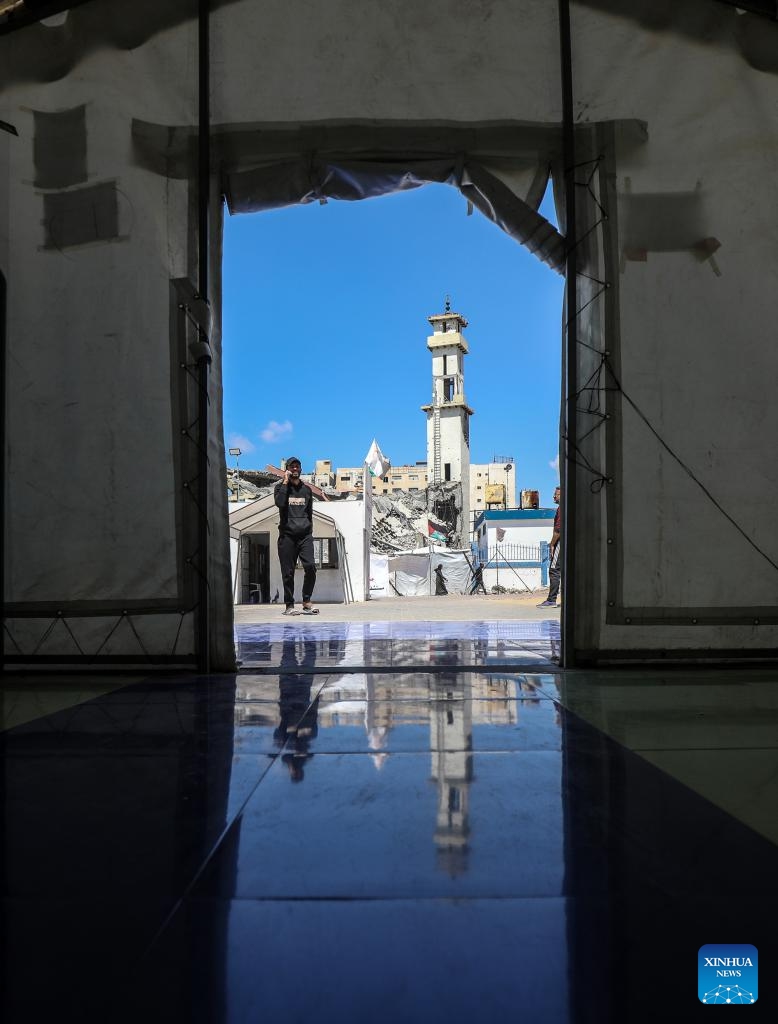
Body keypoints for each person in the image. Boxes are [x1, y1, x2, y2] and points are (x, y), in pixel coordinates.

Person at [274, 456, 318, 615]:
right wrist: (285, 482)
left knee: (311, 567)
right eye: (292, 467)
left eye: (297, 467)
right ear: (287, 469)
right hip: (287, 537)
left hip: (305, 536)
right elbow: (279, 503)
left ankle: (306, 601)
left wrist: (309, 529)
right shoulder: (280, 488)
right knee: (288, 572)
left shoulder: (306, 490)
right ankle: (289, 606)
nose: (295, 469)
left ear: (300, 469)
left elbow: (309, 513)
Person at [538, 486, 562, 608]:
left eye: (556, 494)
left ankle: (551, 600)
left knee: (554, 570)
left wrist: (552, 544)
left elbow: (558, 530)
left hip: (561, 542)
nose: (554, 496)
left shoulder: (561, 509)